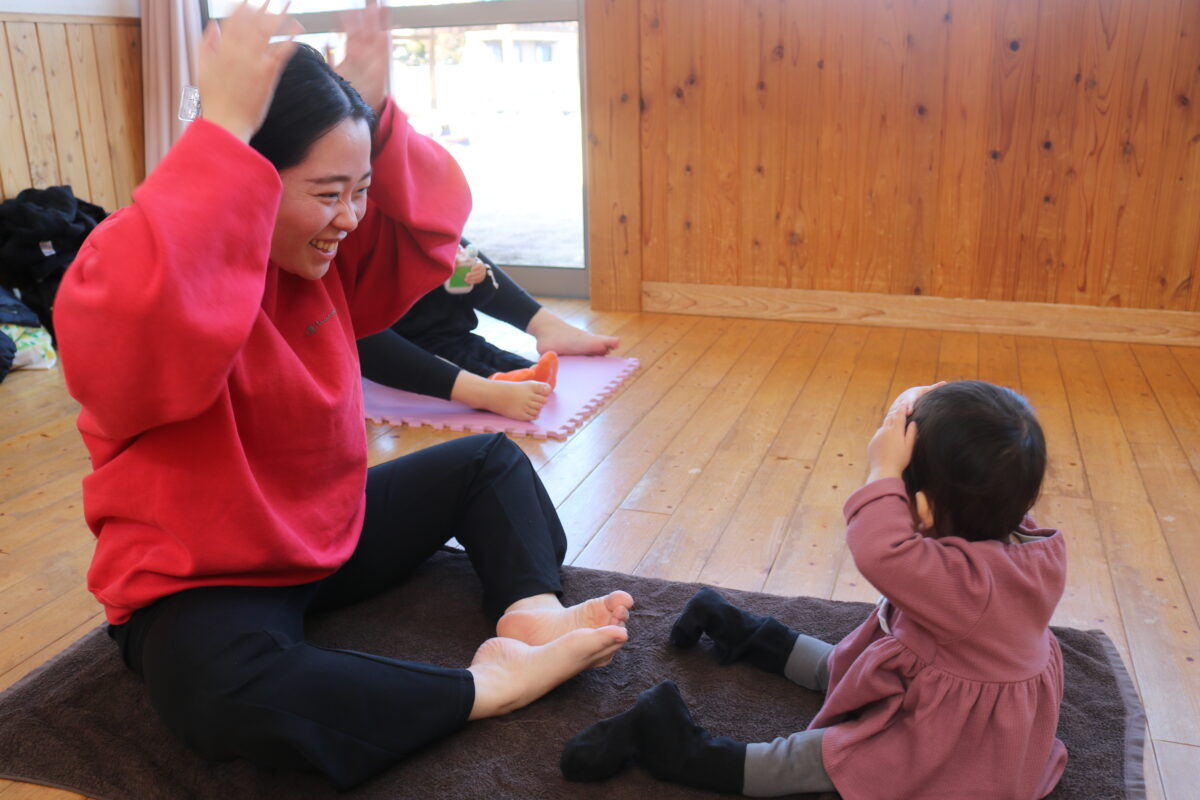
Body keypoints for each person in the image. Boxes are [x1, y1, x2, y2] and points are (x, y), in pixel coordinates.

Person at [53, 2, 633, 790]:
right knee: (221, 694)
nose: (350, 217)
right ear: (246, 184)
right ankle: (485, 685)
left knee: (489, 462)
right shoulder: (139, 257)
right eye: (329, 194)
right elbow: (146, 344)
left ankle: (527, 612)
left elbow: (415, 227)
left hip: (322, 532)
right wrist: (220, 133)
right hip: (204, 576)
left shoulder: (320, 256)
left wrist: (375, 114)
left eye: (358, 190)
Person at [562, 380, 1068, 799]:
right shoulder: (1032, 545)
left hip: (948, 733)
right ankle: (743, 631)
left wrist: (882, 469)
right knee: (852, 665)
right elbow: (983, 474)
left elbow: (878, 546)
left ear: (927, 510)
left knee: (829, 758)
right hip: (936, 670)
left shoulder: (961, 586)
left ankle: (670, 738)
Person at [357, 240, 619, 422]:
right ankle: (502, 384)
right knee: (469, 365)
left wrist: (478, 278)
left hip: (459, 332)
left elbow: (478, 297)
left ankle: (531, 371)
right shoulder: (389, 265)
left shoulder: (448, 250)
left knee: (489, 353)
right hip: (426, 344)